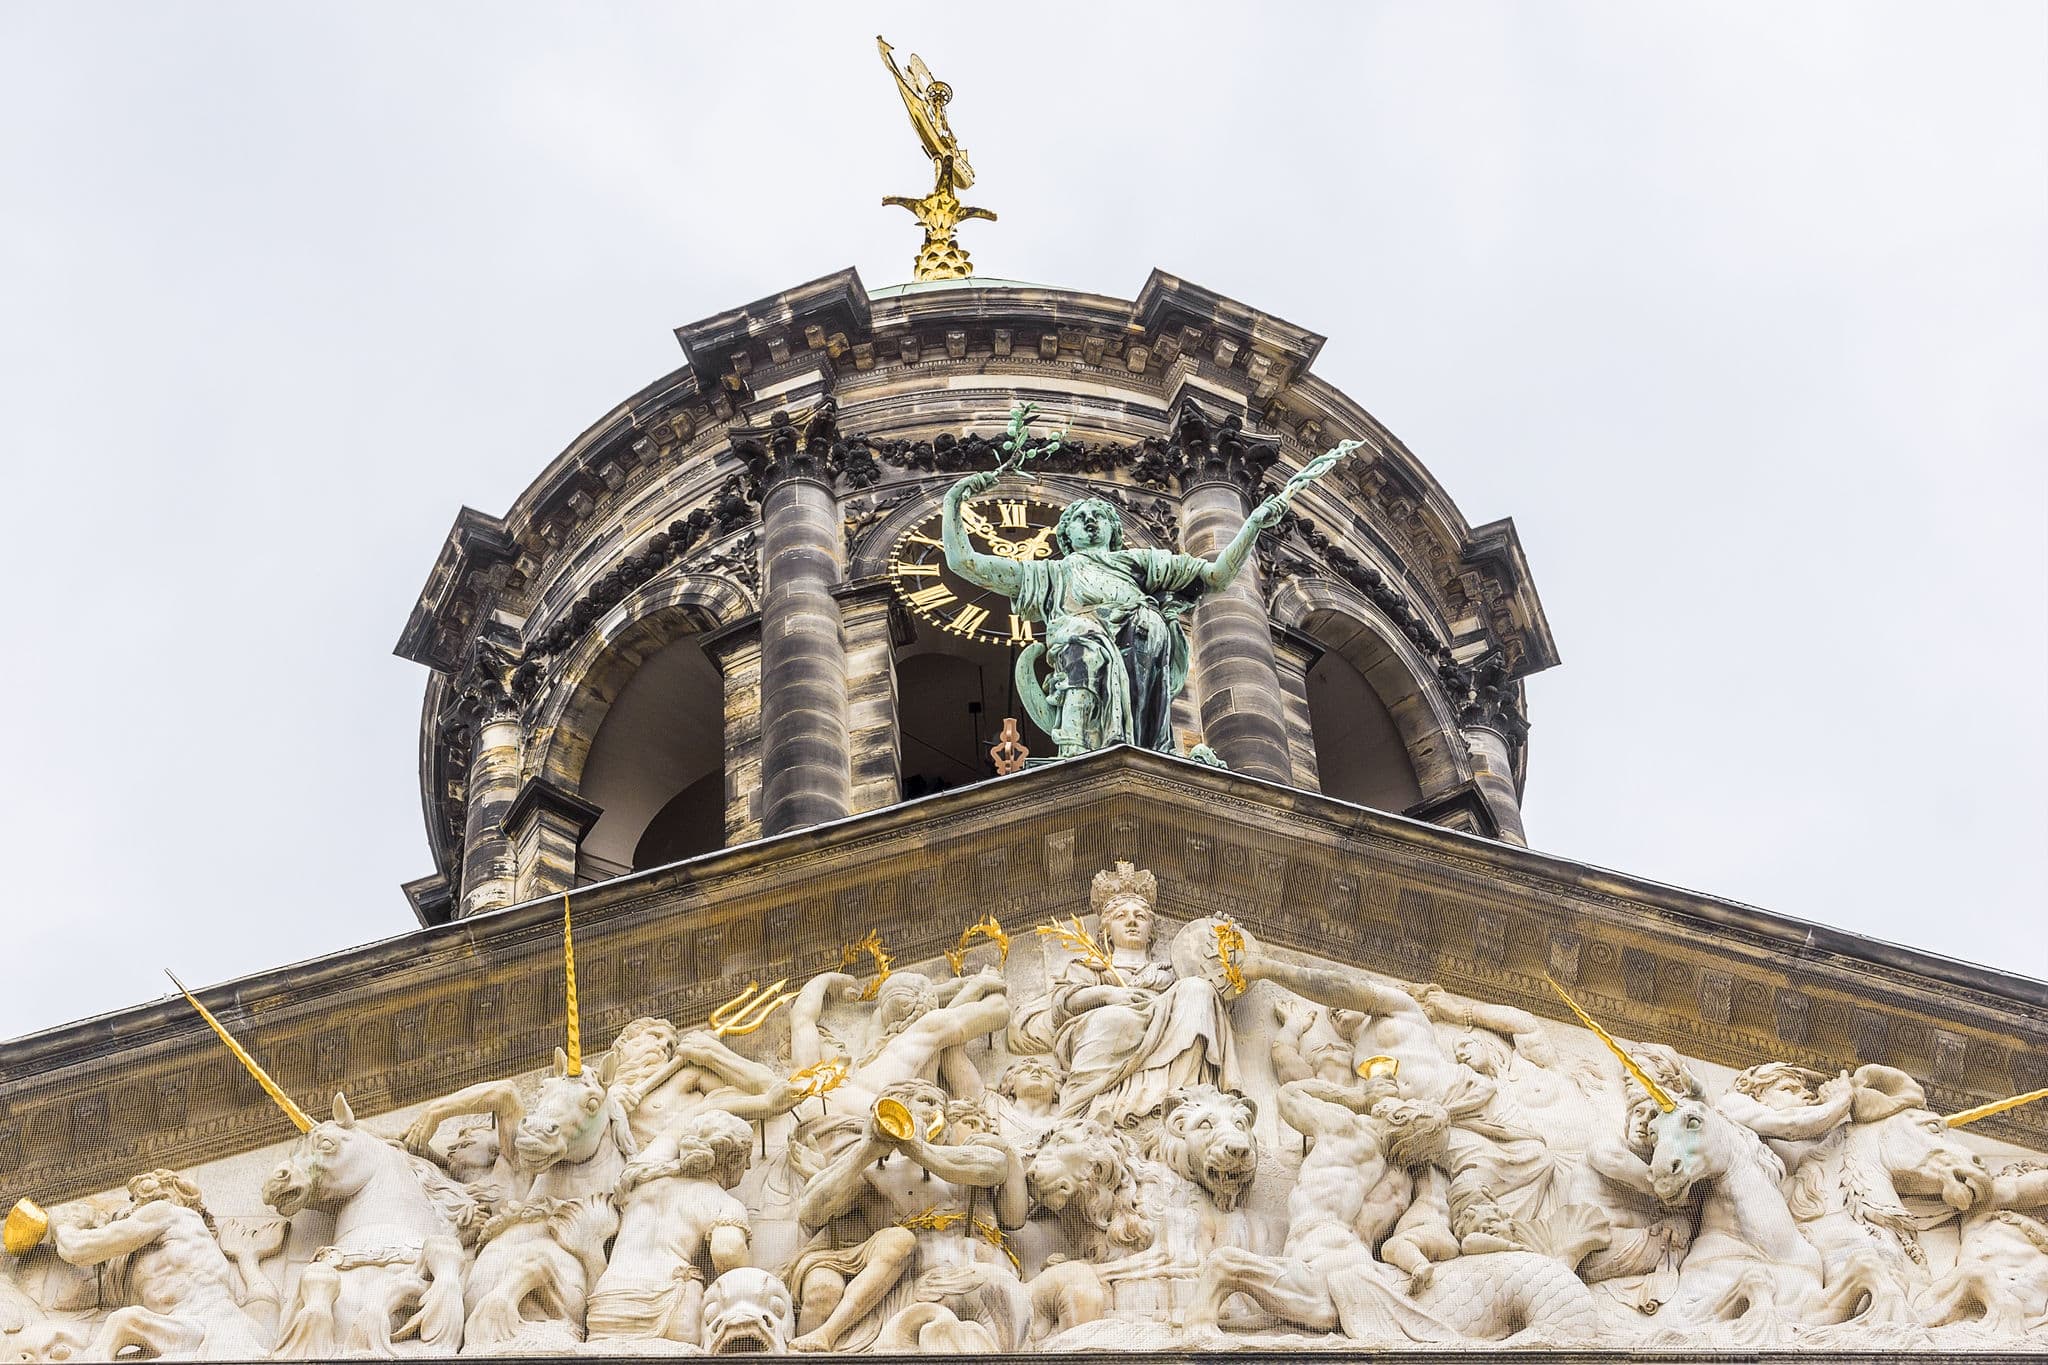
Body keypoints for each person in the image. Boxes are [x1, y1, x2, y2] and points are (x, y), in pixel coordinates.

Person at [940, 469, 1284, 757]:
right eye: (1080, 519)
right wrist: (953, 501)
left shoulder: (1142, 564)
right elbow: (963, 562)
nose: (1091, 522)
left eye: (1100, 517)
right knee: (1085, 638)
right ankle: (1074, 743)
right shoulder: (1050, 574)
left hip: (1143, 647)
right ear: (1066, 537)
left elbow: (1216, 575)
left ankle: (1141, 745)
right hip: (1082, 645)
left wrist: (1251, 525)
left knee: (1143, 624)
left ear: (1114, 531)